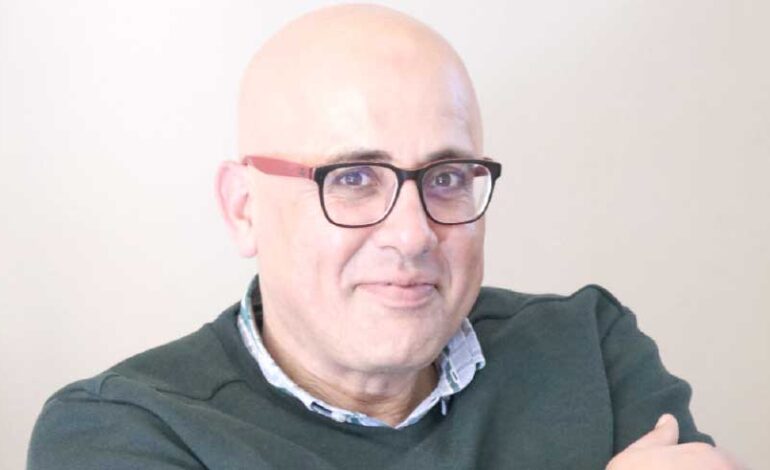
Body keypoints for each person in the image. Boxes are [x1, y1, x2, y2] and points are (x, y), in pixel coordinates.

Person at [27, 4, 739, 469]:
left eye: (446, 177)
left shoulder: (589, 350)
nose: (413, 232)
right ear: (243, 209)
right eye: (352, 178)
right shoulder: (122, 431)